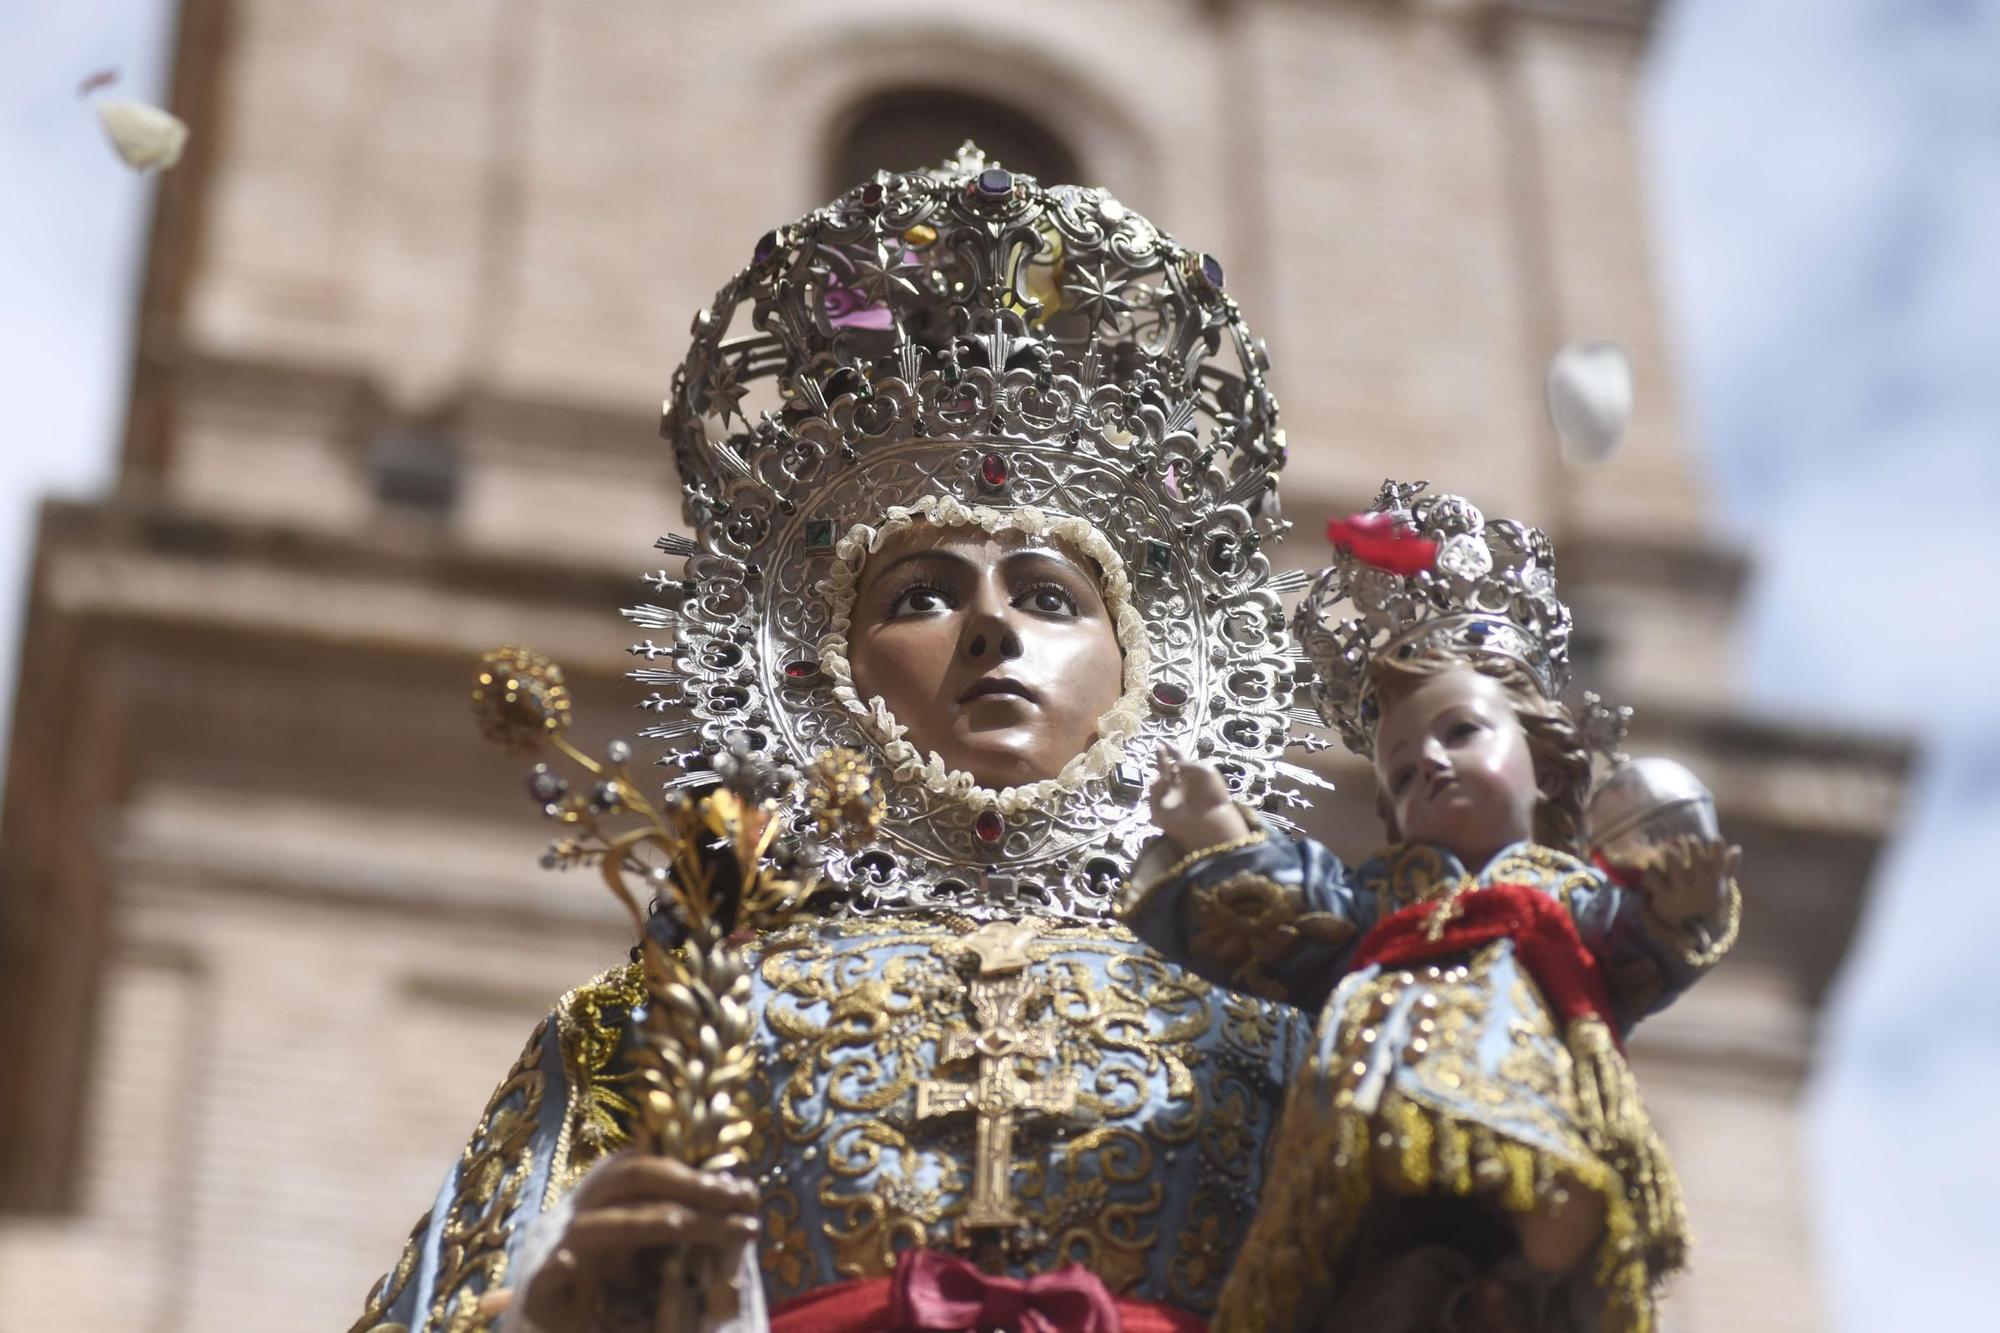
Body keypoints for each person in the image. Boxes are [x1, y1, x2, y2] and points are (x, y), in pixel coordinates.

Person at [347, 144, 1317, 1333]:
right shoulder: (660, 1015)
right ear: (822, 668)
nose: (989, 630)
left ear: (1148, 670)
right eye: (919, 595)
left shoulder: (1294, 1034)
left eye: (1051, 596)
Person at [1125, 482, 1741, 1333]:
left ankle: (1527, 1278)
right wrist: (1217, 825)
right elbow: (1293, 908)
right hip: (1381, 1123)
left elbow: (1638, 942)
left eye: (1461, 734)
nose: (1434, 767)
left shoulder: (1567, 898)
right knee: (1395, 1276)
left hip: (1523, 1095)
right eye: (1404, 771)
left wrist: (1682, 905)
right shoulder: (1386, 903)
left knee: (1558, 1206)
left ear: (1546, 763)